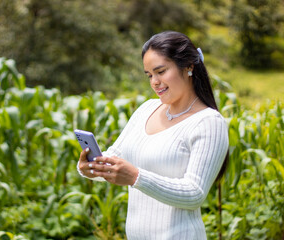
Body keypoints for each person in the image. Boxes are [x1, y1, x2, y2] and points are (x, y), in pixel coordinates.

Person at [77, 30, 229, 240]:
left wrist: (136, 177)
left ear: (189, 66)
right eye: (149, 75)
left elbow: (194, 194)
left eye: (161, 71)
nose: (154, 82)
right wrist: (92, 168)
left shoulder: (208, 122)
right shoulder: (147, 109)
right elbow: (114, 156)